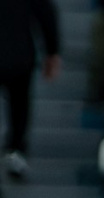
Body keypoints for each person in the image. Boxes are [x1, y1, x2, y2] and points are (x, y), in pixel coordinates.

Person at [0, 0, 60, 180]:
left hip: (19, 54)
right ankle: (16, 151)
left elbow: (45, 13)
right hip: (19, 54)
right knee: (19, 104)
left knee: (19, 102)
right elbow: (46, 14)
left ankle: (16, 151)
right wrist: (52, 51)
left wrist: (52, 51)